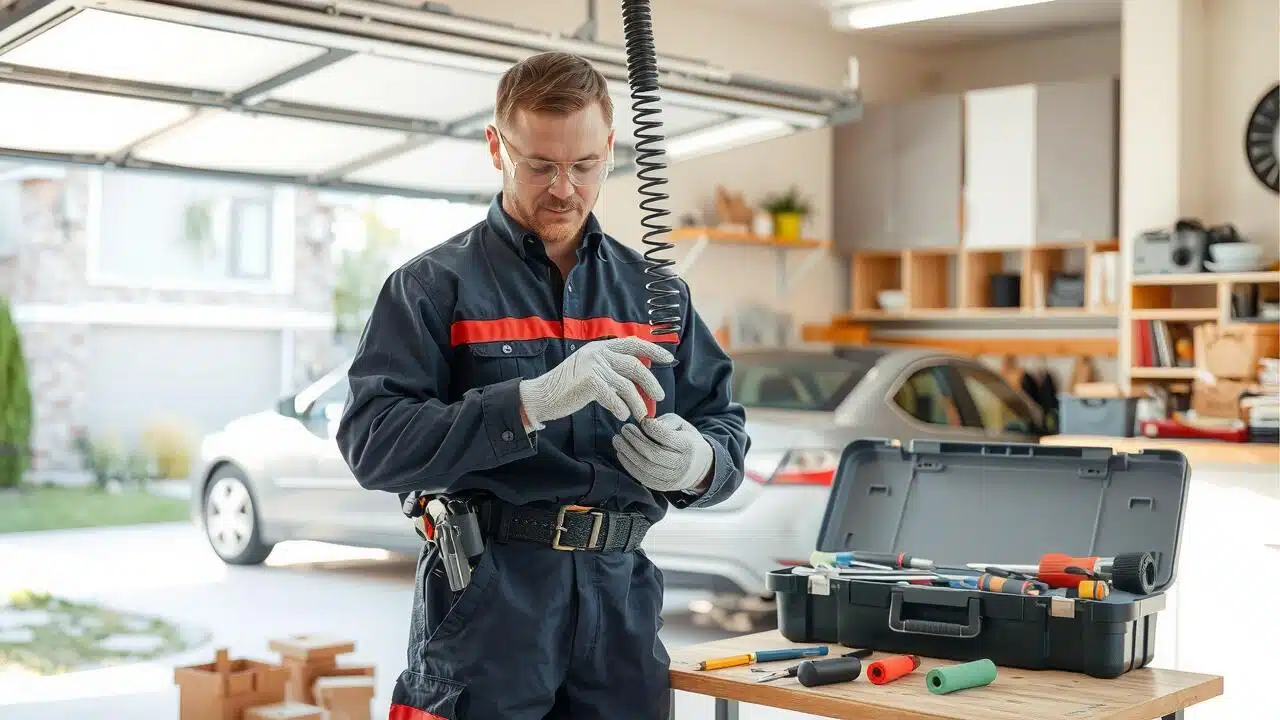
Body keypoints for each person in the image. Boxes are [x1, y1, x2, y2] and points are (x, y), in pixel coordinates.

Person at [336, 51, 749, 720]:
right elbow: (373, 445)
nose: (564, 188)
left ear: (611, 150)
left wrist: (702, 463)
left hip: (621, 607)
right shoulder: (432, 288)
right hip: (487, 608)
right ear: (497, 148)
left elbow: (723, 424)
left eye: (584, 167)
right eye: (540, 166)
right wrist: (529, 403)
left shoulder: (656, 295)